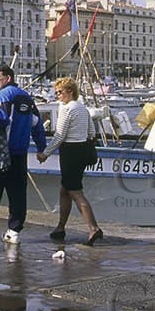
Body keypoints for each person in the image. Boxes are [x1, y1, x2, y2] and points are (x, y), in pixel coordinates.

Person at [0, 66, 48, 244]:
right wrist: (42, 147)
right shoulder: (27, 98)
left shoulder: (4, 95)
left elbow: (2, 119)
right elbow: (37, 124)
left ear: (8, 78)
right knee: (18, 193)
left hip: (1, 152)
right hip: (20, 153)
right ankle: (14, 231)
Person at [36, 77, 102, 246]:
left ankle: (93, 228)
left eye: (60, 92)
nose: (57, 95)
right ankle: (60, 227)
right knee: (65, 189)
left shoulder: (67, 109)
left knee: (74, 191)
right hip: (82, 150)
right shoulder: (82, 108)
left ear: (70, 92)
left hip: (70, 152)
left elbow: (59, 135)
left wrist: (45, 154)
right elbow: (92, 131)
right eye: (56, 92)